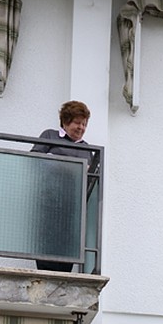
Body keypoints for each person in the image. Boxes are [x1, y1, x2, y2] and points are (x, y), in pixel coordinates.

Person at [32, 100, 95, 272]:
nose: (81, 127)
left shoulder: (87, 148)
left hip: (71, 210)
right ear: (66, 121)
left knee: (67, 259)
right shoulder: (50, 136)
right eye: (77, 122)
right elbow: (34, 160)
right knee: (46, 254)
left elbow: (89, 179)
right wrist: (67, 167)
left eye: (84, 124)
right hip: (48, 205)